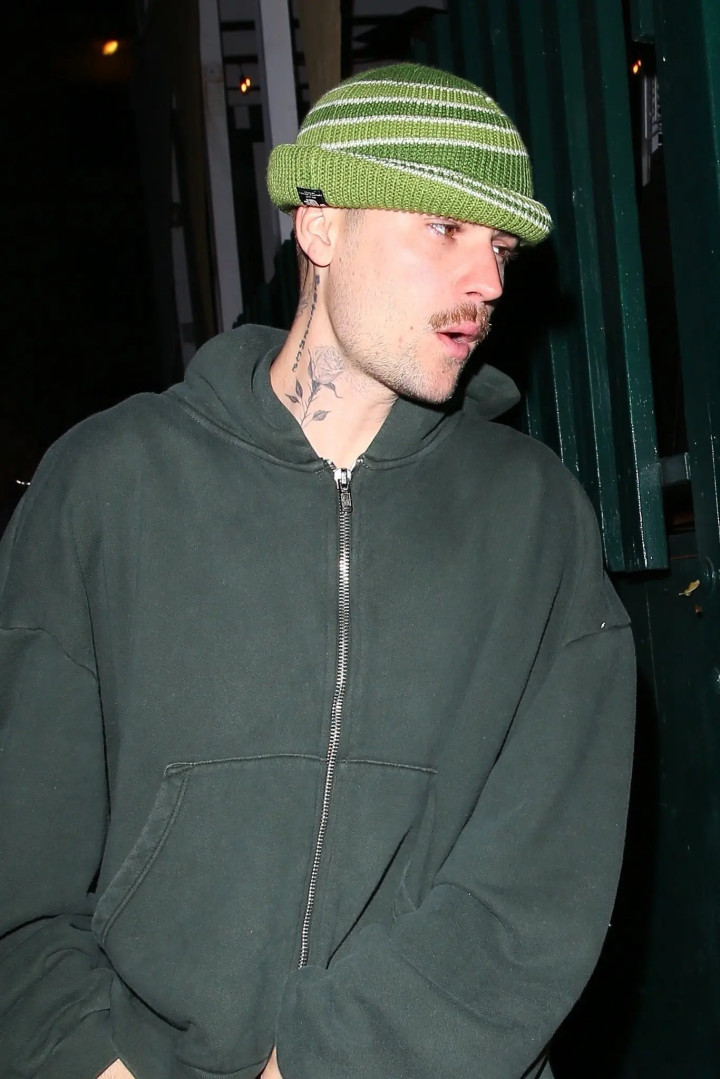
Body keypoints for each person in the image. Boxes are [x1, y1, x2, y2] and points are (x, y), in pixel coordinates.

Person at [0, 63, 634, 1079]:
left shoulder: (535, 518)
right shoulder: (109, 484)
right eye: (444, 228)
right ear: (322, 225)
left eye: (501, 246)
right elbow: (20, 863)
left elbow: (540, 887)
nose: (487, 281)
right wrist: (88, 1060)